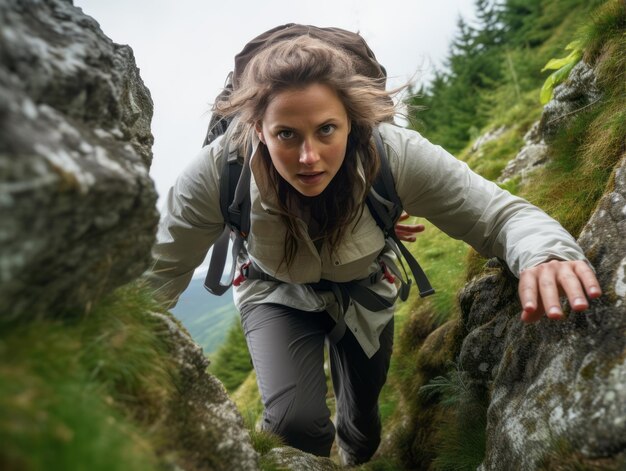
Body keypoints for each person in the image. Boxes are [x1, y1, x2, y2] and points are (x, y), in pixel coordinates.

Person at [148, 33, 601, 465]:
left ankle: (356, 460)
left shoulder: (395, 155)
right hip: (274, 293)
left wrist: (547, 255)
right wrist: (106, 345)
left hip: (365, 289)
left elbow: (497, 215)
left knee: (363, 425)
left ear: (353, 122)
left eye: (327, 129)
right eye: (287, 134)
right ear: (258, 130)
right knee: (295, 424)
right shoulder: (217, 171)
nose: (310, 156)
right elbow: (160, 270)